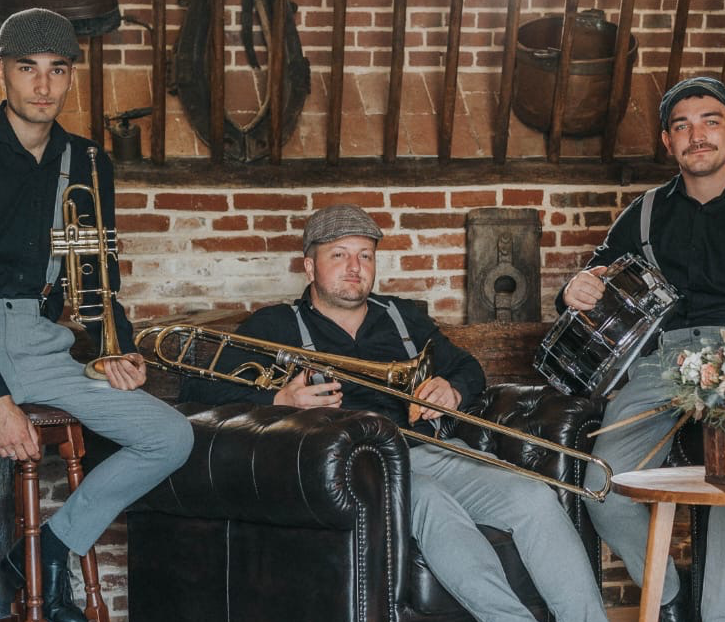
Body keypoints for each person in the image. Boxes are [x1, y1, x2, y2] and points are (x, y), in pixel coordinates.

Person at [181, 204, 608, 622]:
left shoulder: (401, 316)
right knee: (432, 503)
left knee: (535, 498)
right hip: (354, 467)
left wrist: (451, 389)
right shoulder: (275, 326)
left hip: (431, 448)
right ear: (309, 266)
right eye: (339, 255)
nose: (355, 266)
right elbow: (197, 387)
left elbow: (467, 368)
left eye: (365, 255)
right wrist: (280, 402)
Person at [0, 7, 193, 622]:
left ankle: (46, 552)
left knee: (169, 436)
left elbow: (97, 276)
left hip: (41, 342)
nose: (42, 86)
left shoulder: (90, 161)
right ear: (2, 73)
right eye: (27, 69)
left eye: (56, 70)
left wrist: (113, 346)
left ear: (71, 77)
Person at [559, 76, 725, 622]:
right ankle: (673, 596)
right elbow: (597, 268)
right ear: (667, 141)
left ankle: (723, 611)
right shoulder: (644, 212)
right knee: (599, 481)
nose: (696, 136)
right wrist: (576, 286)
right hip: (664, 360)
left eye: (710, 122)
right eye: (682, 126)